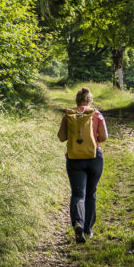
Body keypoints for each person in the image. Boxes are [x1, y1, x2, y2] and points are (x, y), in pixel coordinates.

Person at [57, 87, 107, 242]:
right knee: (91, 193)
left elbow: (61, 137)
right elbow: (104, 137)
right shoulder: (96, 114)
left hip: (74, 158)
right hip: (94, 157)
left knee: (78, 193)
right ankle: (88, 230)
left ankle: (78, 222)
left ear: (77, 100)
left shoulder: (69, 115)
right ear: (90, 100)